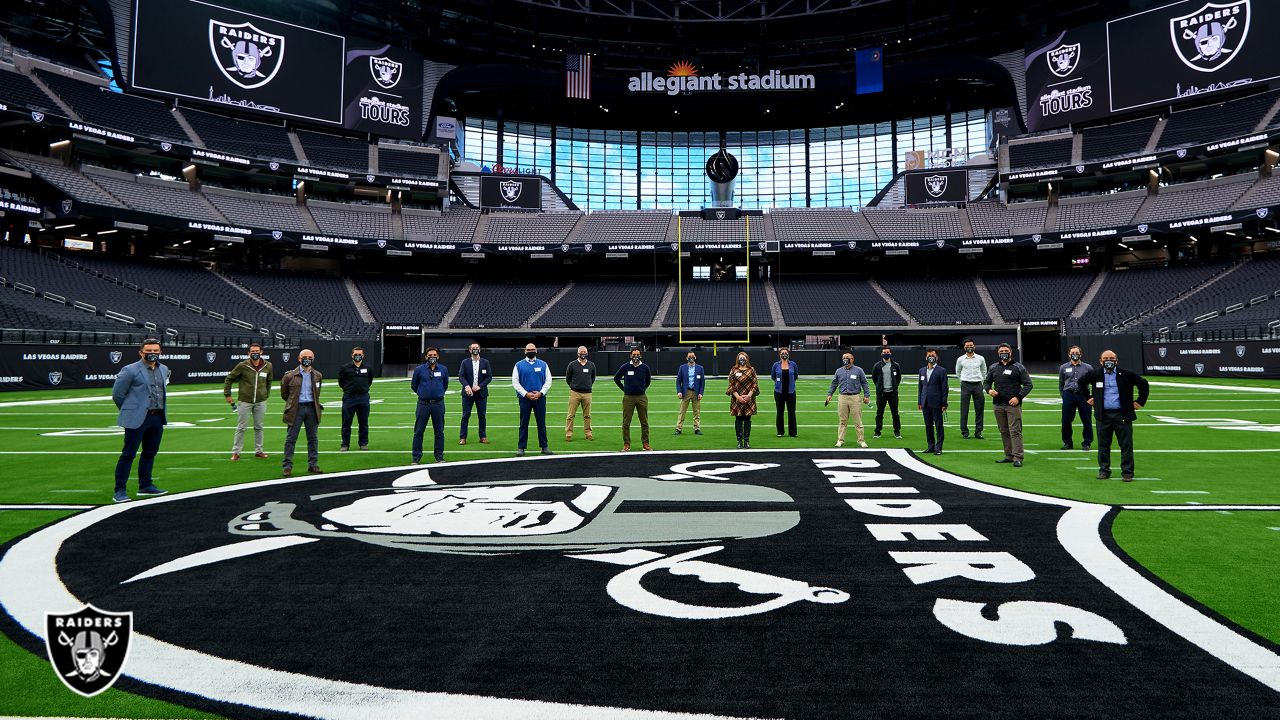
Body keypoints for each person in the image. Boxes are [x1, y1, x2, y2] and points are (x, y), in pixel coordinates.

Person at [110, 338, 170, 502]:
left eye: (155, 351)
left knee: (150, 452)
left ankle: (145, 485)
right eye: (148, 351)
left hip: (157, 417)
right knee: (128, 454)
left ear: (160, 352)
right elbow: (117, 394)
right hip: (137, 418)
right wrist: (131, 410)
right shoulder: (130, 370)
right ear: (141, 352)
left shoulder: (163, 369)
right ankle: (120, 490)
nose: (152, 354)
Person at [1077, 350, 1150, 482]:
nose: (1108, 360)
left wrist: (1140, 401)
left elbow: (1143, 384)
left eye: (1111, 358)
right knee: (1103, 445)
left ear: (1116, 360)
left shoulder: (1126, 374)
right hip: (1103, 415)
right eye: (1106, 358)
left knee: (1126, 445)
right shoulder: (1095, 374)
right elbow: (1081, 383)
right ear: (1100, 361)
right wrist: (1088, 397)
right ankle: (1104, 470)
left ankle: (1127, 472)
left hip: (1122, 414)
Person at [984, 343, 1034, 467]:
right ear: (998, 353)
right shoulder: (993, 367)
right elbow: (986, 383)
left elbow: (1028, 384)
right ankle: (1009, 455)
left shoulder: (1018, 367)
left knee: (1015, 431)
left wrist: (1018, 397)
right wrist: (989, 390)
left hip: (1013, 405)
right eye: (1001, 351)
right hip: (998, 404)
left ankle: (1018, 457)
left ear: (1011, 352)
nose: (1004, 352)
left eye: (1006, 350)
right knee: (1003, 431)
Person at [223, 342, 271, 461]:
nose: (255, 353)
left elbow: (269, 381)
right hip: (245, 401)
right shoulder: (242, 365)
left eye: (257, 351)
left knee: (259, 426)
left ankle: (259, 451)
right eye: (252, 351)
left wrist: (265, 394)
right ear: (249, 353)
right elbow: (229, 378)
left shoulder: (268, 365)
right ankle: (236, 452)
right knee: (241, 427)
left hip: (261, 401)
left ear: (261, 352)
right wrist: (227, 394)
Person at [280, 349, 323, 477]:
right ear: (299, 359)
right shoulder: (289, 376)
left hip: (311, 408)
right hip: (296, 409)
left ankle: (313, 465)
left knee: (313, 438)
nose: (307, 359)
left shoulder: (317, 375)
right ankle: (287, 466)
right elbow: (285, 394)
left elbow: (317, 393)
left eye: (310, 357)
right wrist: (293, 403)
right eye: (305, 357)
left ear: (313, 359)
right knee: (291, 439)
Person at [512, 343, 553, 456]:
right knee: (523, 423)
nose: (531, 351)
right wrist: (526, 394)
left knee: (541, 423)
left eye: (533, 349)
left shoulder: (543, 364)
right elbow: (515, 382)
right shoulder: (518, 365)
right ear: (525, 351)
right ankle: (521, 447)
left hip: (540, 399)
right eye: (529, 349)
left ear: (536, 351)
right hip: (525, 399)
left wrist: (541, 393)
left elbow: (548, 381)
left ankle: (544, 447)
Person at [411, 348, 449, 464]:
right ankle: (416, 457)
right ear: (426, 357)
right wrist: (424, 394)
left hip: (438, 404)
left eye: (434, 355)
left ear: (438, 356)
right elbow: (414, 385)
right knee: (418, 431)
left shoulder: (443, 369)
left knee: (439, 431)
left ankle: (439, 456)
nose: (432, 356)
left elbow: (445, 384)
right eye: (430, 355)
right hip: (423, 404)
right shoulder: (419, 370)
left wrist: (436, 393)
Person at [826, 351, 870, 448]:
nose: (845, 359)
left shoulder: (859, 370)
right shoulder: (839, 371)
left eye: (847, 357)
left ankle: (861, 440)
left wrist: (867, 395)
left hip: (855, 397)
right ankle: (840, 440)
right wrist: (830, 394)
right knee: (842, 420)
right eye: (843, 358)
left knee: (858, 421)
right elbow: (834, 383)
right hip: (842, 397)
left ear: (852, 359)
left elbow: (865, 383)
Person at [614, 347, 653, 451]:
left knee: (644, 421)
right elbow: (616, 378)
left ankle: (646, 444)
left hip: (642, 397)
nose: (636, 356)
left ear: (641, 355)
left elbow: (648, 381)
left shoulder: (645, 367)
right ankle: (626, 444)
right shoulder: (625, 367)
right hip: (628, 398)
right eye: (634, 354)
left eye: (637, 354)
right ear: (630, 355)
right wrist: (624, 389)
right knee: (626, 422)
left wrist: (642, 389)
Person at [337, 346, 372, 452]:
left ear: (363, 355)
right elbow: (341, 382)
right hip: (349, 398)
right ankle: (345, 444)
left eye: (359, 354)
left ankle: (363, 443)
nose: (357, 356)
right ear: (352, 355)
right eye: (355, 354)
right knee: (346, 422)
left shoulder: (368, 368)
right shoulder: (345, 368)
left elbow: (369, 381)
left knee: (363, 422)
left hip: (363, 397)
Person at [1059, 345, 1094, 451]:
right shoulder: (1063, 367)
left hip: (1083, 396)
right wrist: (1063, 395)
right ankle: (1067, 442)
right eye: (1073, 353)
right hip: (1069, 395)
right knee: (1066, 420)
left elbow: (1093, 383)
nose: (1075, 355)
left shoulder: (1088, 367)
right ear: (1069, 354)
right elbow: (1061, 383)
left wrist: (1092, 397)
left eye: (1077, 353)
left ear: (1081, 354)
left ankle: (1087, 442)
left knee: (1086, 420)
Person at [457, 342, 491, 445]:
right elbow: (461, 376)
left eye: (477, 348)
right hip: (468, 394)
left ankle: (483, 436)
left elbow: (489, 377)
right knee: (465, 416)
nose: (475, 349)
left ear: (479, 349)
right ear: (470, 350)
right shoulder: (465, 362)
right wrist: (467, 386)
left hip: (481, 394)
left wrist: (480, 386)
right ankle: (463, 437)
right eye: (473, 348)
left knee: (482, 416)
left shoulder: (485, 362)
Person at [917, 349, 949, 456]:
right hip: (925, 402)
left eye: (933, 355)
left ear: (937, 357)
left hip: (937, 402)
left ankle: (938, 447)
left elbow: (945, 388)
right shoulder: (921, 370)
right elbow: (920, 387)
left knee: (939, 425)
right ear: (926, 358)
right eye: (929, 355)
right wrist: (919, 401)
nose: (931, 357)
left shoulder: (942, 370)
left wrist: (944, 403)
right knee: (928, 426)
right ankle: (930, 446)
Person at [726, 351, 760, 449]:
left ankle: (747, 441)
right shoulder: (734, 370)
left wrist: (749, 395)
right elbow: (731, 385)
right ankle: (739, 441)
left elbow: (755, 384)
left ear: (747, 359)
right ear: (738, 359)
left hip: (749, 399)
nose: (742, 360)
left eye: (744, 358)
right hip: (737, 399)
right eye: (740, 358)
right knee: (738, 419)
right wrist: (738, 397)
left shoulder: (751, 370)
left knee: (748, 419)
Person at [955, 339, 987, 440]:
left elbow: (984, 370)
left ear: (974, 346)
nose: (969, 347)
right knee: (964, 409)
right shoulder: (960, 359)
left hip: (978, 384)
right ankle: (964, 431)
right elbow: (958, 371)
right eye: (967, 345)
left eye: (971, 345)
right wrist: (963, 381)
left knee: (979, 409)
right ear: (964, 347)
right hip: (965, 385)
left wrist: (981, 380)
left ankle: (978, 432)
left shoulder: (980, 358)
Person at [564, 346, 596, 441]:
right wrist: (574, 386)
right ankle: (569, 434)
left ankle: (588, 433)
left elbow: (592, 378)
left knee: (587, 415)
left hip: (587, 393)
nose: (583, 353)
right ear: (578, 353)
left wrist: (587, 385)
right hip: (575, 393)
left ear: (587, 353)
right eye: (581, 352)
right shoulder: (572, 364)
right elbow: (568, 378)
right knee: (571, 415)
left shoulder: (591, 365)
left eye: (584, 352)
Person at [870, 347, 903, 439]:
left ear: (890, 353)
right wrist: (880, 387)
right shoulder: (877, 365)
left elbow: (898, 379)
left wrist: (894, 387)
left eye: (887, 352)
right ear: (881, 354)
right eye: (884, 352)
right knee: (879, 413)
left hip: (893, 393)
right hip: (881, 394)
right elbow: (874, 378)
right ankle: (877, 431)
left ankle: (897, 431)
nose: (886, 353)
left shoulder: (896, 365)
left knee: (895, 413)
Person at [675, 350, 705, 436]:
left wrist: (701, 393)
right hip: (686, 392)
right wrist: (679, 391)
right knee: (682, 411)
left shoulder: (700, 368)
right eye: (689, 356)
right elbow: (678, 381)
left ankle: (697, 428)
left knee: (696, 412)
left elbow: (702, 382)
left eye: (692, 356)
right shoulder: (682, 367)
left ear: (695, 357)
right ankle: (678, 428)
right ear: (686, 358)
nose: (691, 358)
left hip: (696, 392)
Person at [771, 348, 799, 437]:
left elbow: (795, 376)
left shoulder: (793, 364)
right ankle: (780, 432)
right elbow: (773, 377)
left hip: (791, 392)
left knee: (791, 412)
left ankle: (793, 432)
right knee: (780, 411)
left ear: (788, 354)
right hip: (779, 392)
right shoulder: (776, 365)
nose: (784, 354)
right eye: (782, 353)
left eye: (785, 353)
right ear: (779, 354)